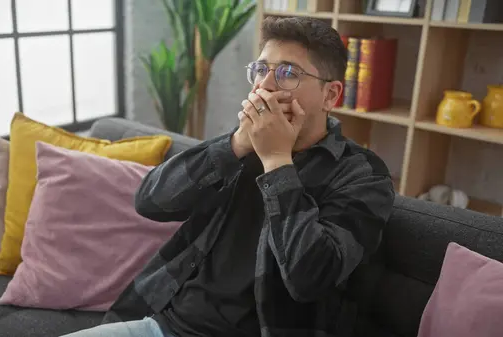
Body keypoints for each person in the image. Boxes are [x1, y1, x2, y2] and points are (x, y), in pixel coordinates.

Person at [62, 15, 395, 337]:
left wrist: (277, 159)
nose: (264, 85)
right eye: (261, 70)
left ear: (330, 96)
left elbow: (310, 277)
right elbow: (149, 202)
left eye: (288, 73)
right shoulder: (240, 146)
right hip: (162, 325)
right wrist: (235, 145)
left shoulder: (362, 174)